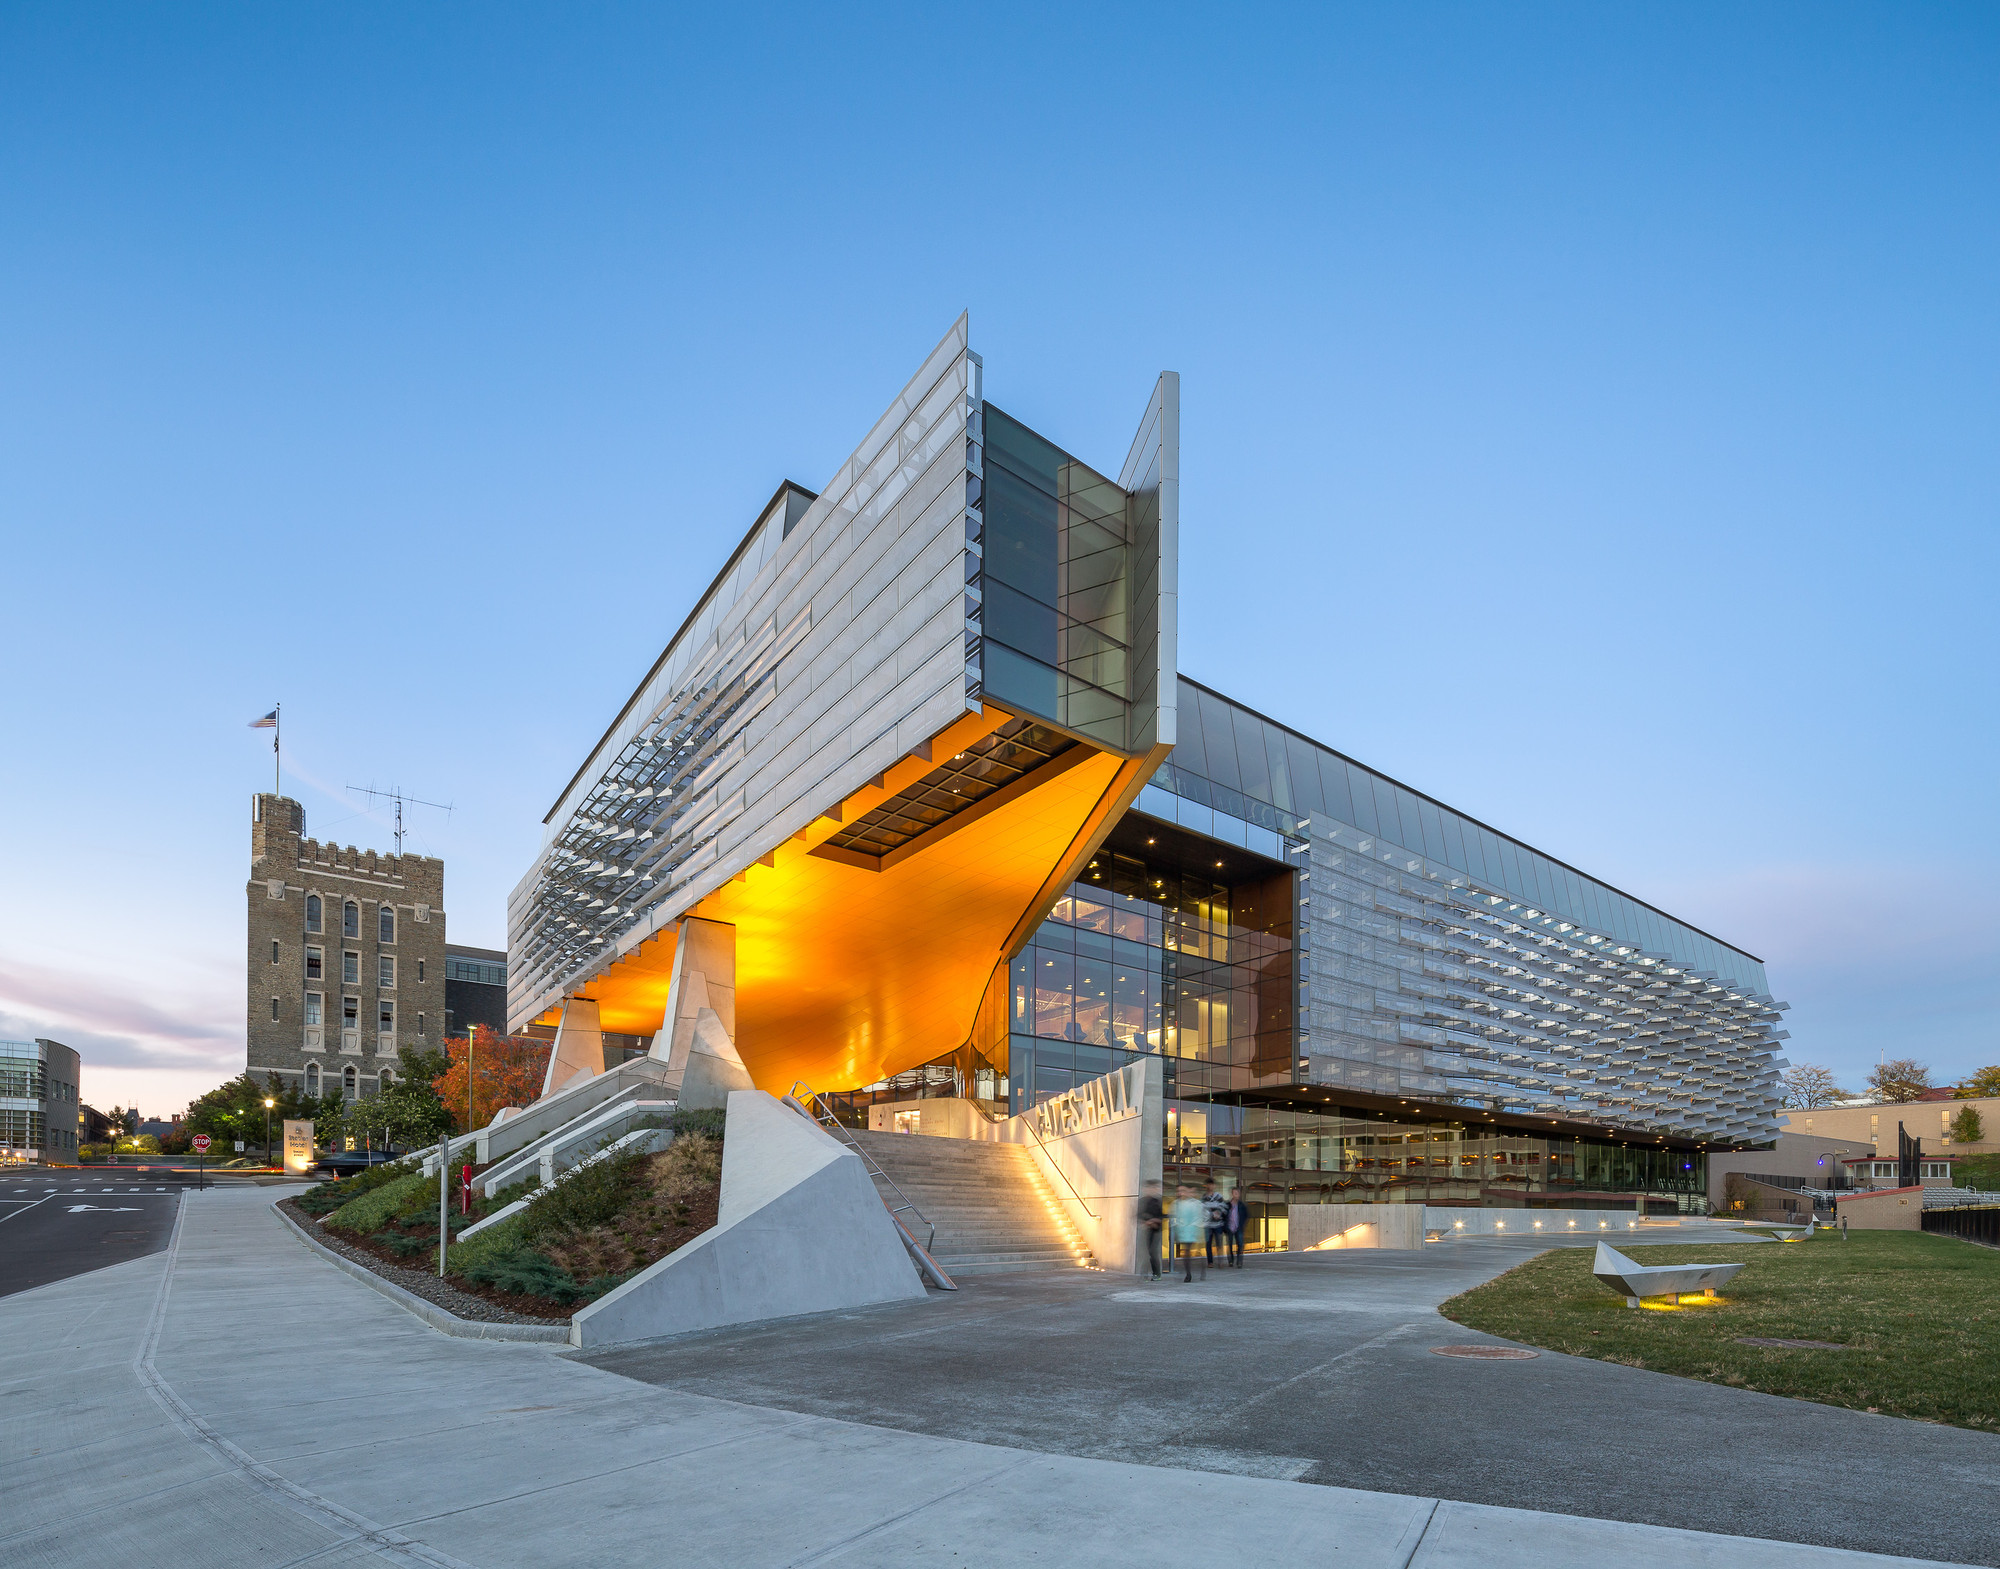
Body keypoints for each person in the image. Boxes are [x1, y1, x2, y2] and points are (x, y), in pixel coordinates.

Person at [1171, 1185, 1206, 1282]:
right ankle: (1188, 1274)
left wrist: (1195, 1228)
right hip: (1184, 1233)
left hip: (1194, 1231)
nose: (1181, 1193)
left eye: (1183, 1190)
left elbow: (1199, 1217)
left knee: (1196, 1252)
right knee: (1187, 1253)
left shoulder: (1196, 1204)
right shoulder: (1176, 1204)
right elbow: (1175, 1217)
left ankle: (1201, 1271)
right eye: (1179, 1191)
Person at [1137, 1180, 1164, 1279]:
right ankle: (1146, 1272)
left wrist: (1152, 1221)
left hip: (1155, 1230)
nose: (1150, 1190)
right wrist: (1145, 1222)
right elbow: (1139, 1215)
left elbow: (1160, 1216)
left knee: (1152, 1252)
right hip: (1147, 1229)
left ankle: (1156, 1273)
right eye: (1148, 1188)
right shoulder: (1143, 1201)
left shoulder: (1157, 1201)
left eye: (1153, 1188)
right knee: (1148, 1252)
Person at [1203, 1183, 1228, 1269]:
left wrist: (1219, 1213)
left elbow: (1224, 1208)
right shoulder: (1204, 1197)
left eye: (1212, 1185)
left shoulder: (1219, 1197)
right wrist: (1212, 1214)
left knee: (1219, 1243)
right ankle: (1210, 1262)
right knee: (1208, 1244)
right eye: (1209, 1185)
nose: (1210, 1187)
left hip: (1218, 1225)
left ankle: (1220, 1261)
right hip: (1208, 1225)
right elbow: (1202, 1210)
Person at [1223, 1186, 1246, 1267]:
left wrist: (1242, 1225)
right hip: (1229, 1227)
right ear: (1232, 1194)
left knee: (1240, 1244)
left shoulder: (1241, 1205)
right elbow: (1224, 1216)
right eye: (1235, 1193)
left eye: (1237, 1193)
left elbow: (1245, 1216)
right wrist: (1225, 1227)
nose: (1236, 1195)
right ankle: (1231, 1261)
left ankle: (1239, 1261)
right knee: (1229, 1245)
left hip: (1238, 1228)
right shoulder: (1228, 1205)